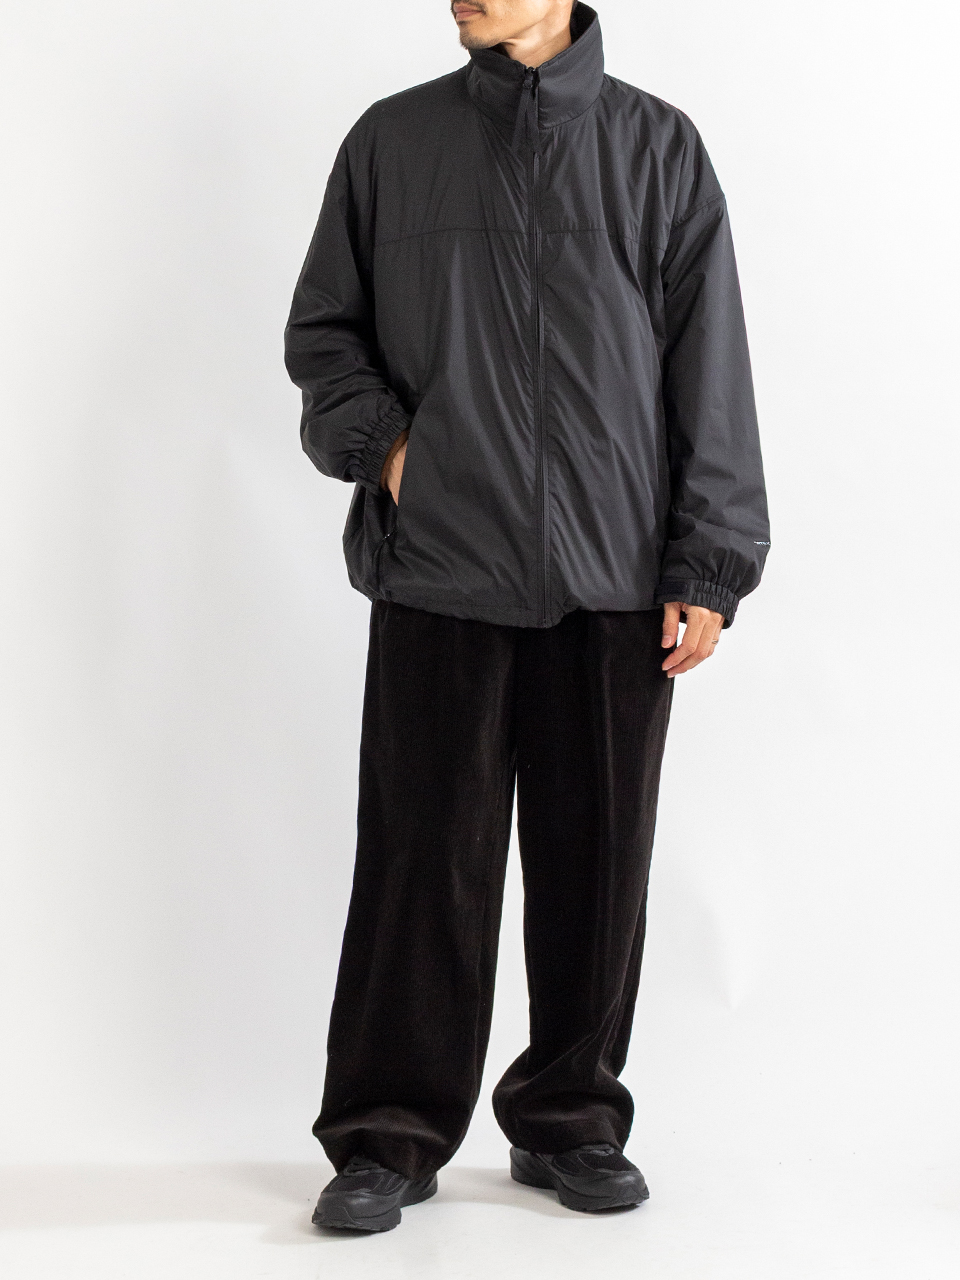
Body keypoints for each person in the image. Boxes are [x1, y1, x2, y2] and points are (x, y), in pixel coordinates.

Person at [284, 0, 769, 1233]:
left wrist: (708, 559)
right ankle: (388, 1132)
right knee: (418, 864)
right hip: (440, 568)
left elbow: (710, 364)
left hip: (615, 575)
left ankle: (569, 1118)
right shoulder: (392, 143)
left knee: (596, 863)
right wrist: (396, 454)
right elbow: (324, 333)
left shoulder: (659, 148)